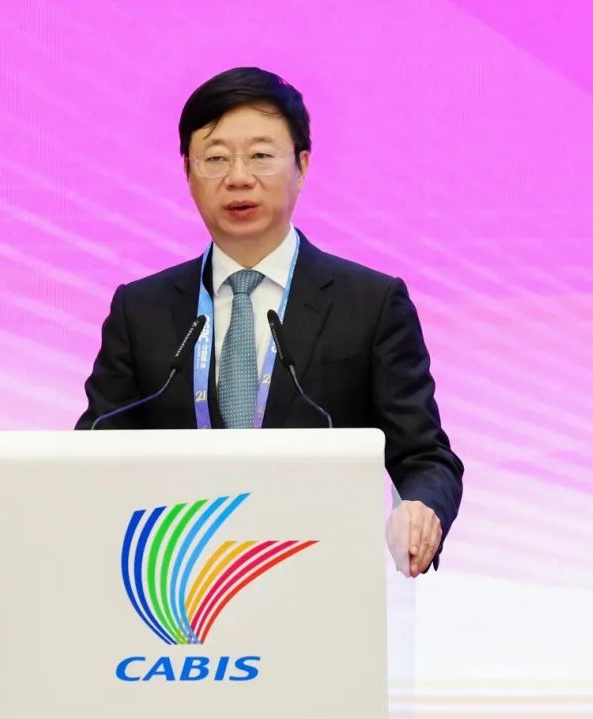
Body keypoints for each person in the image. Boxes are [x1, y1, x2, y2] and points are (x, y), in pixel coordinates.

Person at [76, 67, 463, 578]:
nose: (238, 177)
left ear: (302, 165)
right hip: (174, 584)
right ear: (188, 172)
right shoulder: (140, 309)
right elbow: (92, 454)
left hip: (321, 579)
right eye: (216, 158)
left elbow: (424, 456)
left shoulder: (370, 303)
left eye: (260, 155)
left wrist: (421, 510)